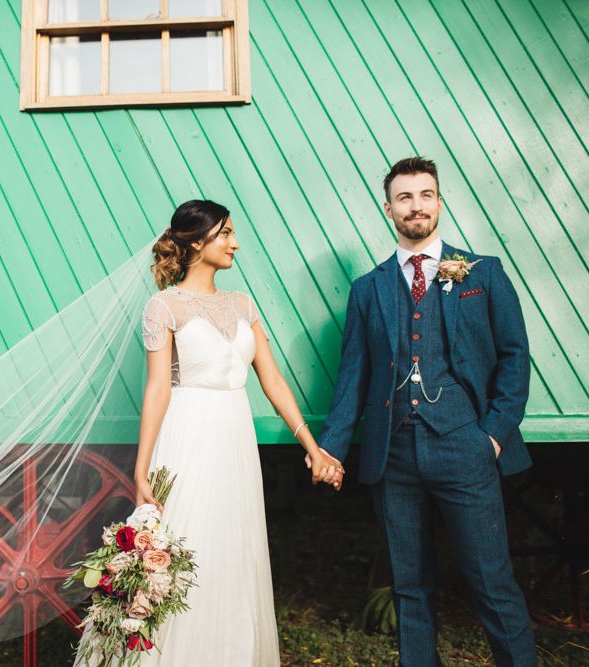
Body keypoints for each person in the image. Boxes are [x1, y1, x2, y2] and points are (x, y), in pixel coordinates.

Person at [318, 157, 537, 666]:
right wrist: (330, 445)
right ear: (389, 207)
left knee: (493, 582)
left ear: (438, 201)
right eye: (405, 197)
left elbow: (514, 356)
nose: (416, 206)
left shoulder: (483, 272)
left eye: (425, 195)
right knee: (410, 587)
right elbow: (353, 378)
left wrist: (493, 436)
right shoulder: (368, 289)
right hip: (394, 456)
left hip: (466, 446)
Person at [131, 200, 343, 666]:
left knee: (234, 548)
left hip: (235, 435)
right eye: (225, 233)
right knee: (188, 544)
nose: (235, 243)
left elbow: (272, 381)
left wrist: (312, 447)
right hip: (188, 434)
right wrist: (141, 468)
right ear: (196, 241)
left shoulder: (242, 304)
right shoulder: (163, 306)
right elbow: (157, 390)